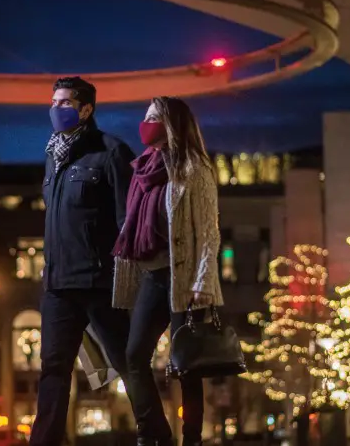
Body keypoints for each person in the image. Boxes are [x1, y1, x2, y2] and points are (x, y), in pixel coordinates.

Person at [32, 76, 146, 446]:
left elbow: (127, 221)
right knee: (53, 370)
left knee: (128, 363)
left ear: (86, 109)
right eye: (54, 102)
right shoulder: (53, 153)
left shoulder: (112, 152)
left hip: (100, 283)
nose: (56, 109)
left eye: (65, 102)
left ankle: (154, 433)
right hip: (58, 286)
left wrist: (127, 278)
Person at [112, 96, 223, 446]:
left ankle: (192, 439)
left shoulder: (194, 169)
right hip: (153, 275)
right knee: (133, 356)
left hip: (187, 281)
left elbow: (208, 232)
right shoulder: (143, 168)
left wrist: (204, 281)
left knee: (186, 366)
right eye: (144, 116)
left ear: (173, 124)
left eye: (154, 117)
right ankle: (154, 432)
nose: (146, 124)